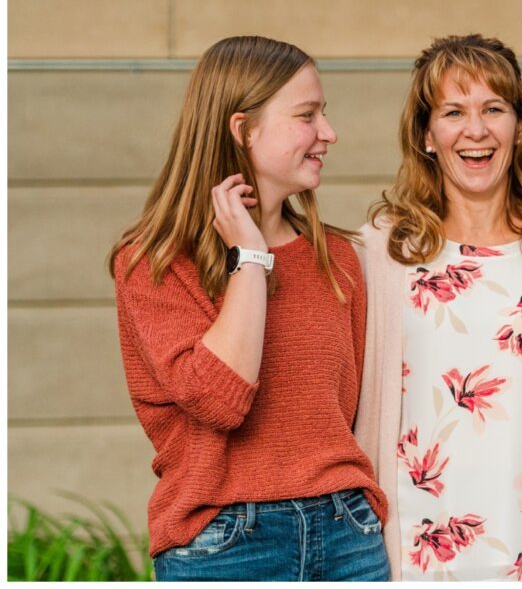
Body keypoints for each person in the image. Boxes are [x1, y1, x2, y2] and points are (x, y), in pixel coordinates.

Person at [108, 35, 390, 581]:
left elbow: (349, 411)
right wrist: (251, 259)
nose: (328, 134)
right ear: (242, 129)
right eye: (307, 116)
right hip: (226, 544)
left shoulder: (337, 258)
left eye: (324, 114)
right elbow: (219, 400)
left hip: (349, 534)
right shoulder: (155, 264)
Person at [353, 34, 522, 581]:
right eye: (453, 112)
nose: (476, 130)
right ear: (427, 133)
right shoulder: (381, 249)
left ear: (519, 127)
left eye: (493, 109)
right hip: (419, 556)